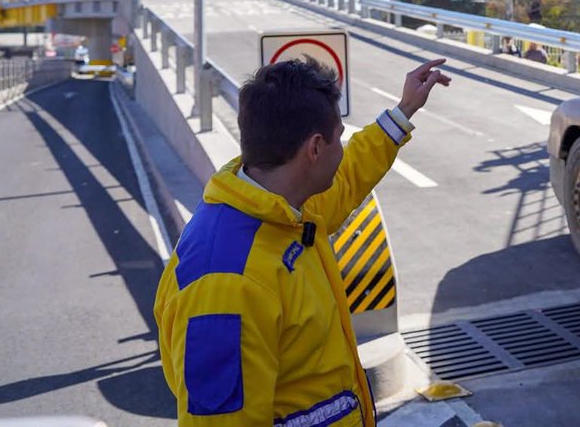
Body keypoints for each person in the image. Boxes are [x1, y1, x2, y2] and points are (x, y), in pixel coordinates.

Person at [154, 56, 450, 426]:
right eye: (338, 137)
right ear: (314, 149)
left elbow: (348, 177)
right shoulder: (227, 284)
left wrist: (403, 111)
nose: (341, 150)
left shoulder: (283, 206)